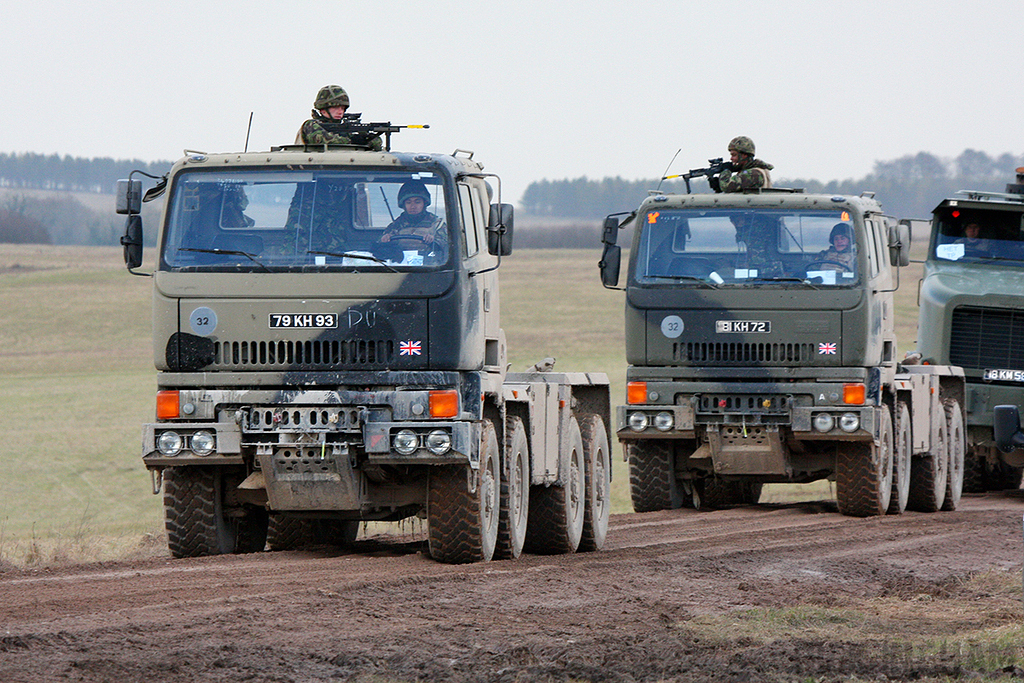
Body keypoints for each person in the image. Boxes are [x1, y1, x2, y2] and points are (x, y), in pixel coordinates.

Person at [295, 85, 383, 151]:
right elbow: (324, 140)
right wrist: (352, 141)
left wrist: (367, 138)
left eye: (342, 108)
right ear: (323, 109)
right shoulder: (310, 125)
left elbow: (377, 143)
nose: (340, 112)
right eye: (336, 107)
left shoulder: (344, 129)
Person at [379, 181, 446, 255]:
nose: (413, 206)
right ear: (403, 205)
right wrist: (385, 239)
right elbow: (380, 248)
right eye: (408, 202)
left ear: (424, 204)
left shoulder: (437, 224)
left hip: (430, 265)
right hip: (399, 265)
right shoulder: (396, 225)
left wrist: (434, 241)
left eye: (417, 202)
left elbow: (447, 247)